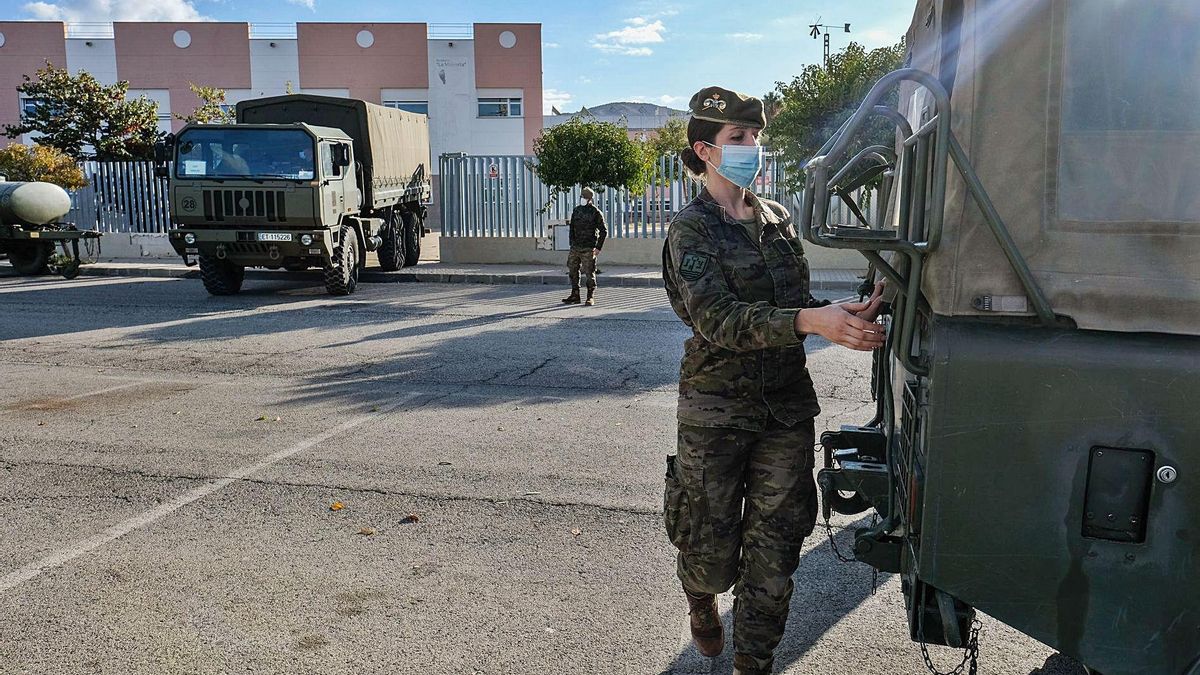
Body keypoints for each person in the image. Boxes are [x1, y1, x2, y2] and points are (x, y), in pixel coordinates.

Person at [661, 86, 885, 675]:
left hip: (785, 407)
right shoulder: (692, 230)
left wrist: (842, 311)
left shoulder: (778, 219)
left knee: (776, 552)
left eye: (756, 137)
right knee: (709, 554)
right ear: (705, 149)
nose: (752, 148)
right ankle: (701, 603)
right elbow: (718, 321)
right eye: (738, 139)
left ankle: (752, 662)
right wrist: (811, 320)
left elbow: (791, 304)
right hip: (717, 409)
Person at [561, 187, 607, 306]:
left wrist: (598, 248)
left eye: (585, 197)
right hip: (575, 247)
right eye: (582, 196)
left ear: (590, 199)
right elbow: (572, 228)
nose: (583, 199)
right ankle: (575, 294)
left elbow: (603, 231)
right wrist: (572, 243)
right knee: (572, 270)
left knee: (589, 273)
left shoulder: (596, 212)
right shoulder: (576, 210)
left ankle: (590, 296)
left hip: (588, 248)